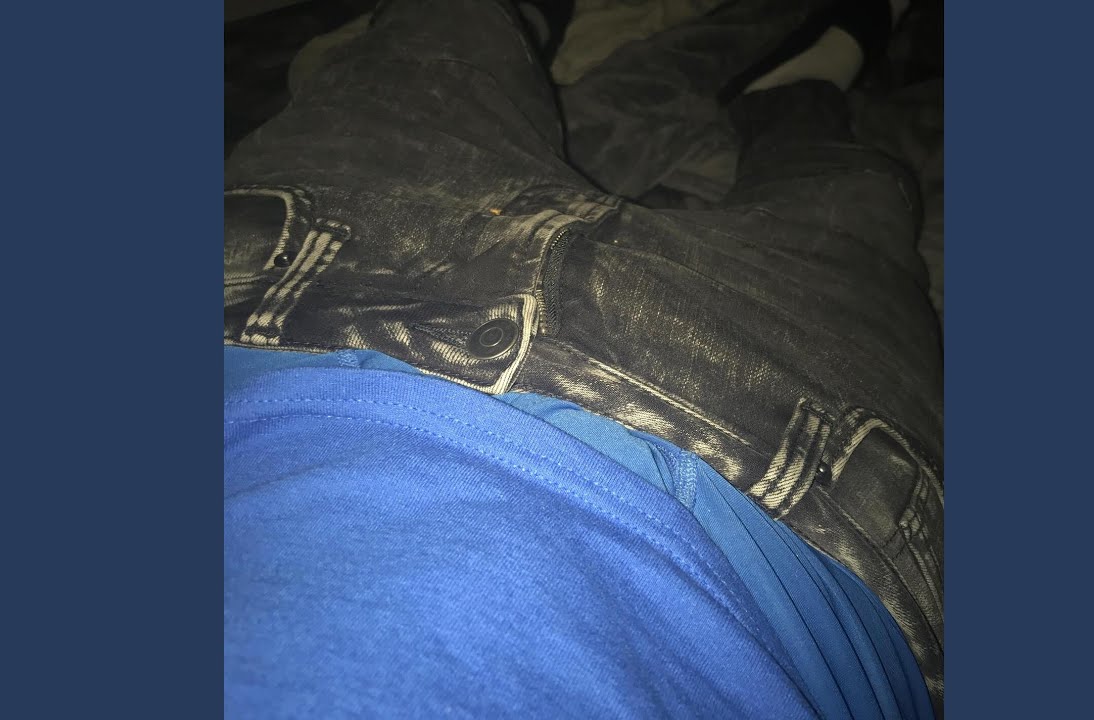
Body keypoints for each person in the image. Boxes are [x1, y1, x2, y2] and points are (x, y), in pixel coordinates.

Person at [223, 0, 943, 716]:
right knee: (855, 190)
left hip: (296, 281)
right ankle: (796, 90)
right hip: (803, 491)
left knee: (440, 29)